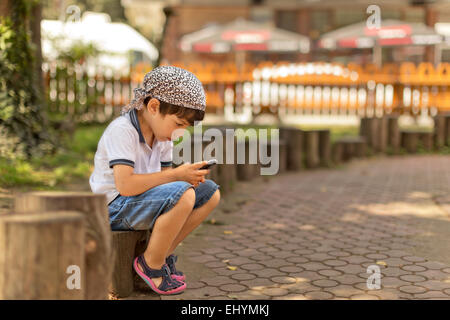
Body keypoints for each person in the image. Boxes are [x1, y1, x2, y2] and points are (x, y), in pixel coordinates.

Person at [89, 66, 221, 295]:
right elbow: (126, 185)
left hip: (140, 201)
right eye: (178, 124)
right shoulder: (122, 131)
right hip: (114, 206)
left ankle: (157, 257)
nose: (180, 133)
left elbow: (168, 185)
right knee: (183, 193)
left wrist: (187, 178)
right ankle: (151, 267)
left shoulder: (163, 138)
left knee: (210, 193)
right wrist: (178, 176)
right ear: (153, 107)